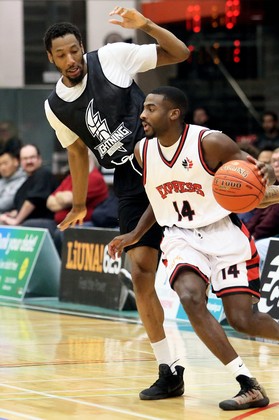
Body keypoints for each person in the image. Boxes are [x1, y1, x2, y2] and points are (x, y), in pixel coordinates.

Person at [107, 86, 279, 410]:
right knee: (190, 296)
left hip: (224, 233)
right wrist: (135, 233)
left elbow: (252, 189)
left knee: (242, 319)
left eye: (150, 108)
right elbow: (159, 198)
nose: (142, 114)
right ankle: (247, 383)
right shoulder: (143, 151)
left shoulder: (209, 142)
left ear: (173, 113)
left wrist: (273, 179)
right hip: (181, 235)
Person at [43, 6, 190, 400]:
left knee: (192, 270)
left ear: (82, 47)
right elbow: (76, 152)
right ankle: (168, 368)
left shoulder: (111, 58)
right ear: (51, 58)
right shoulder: (55, 105)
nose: (71, 60)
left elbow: (179, 52)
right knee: (140, 269)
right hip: (127, 180)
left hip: (165, 159)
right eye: (62, 55)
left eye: (75, 50)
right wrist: (77, 204)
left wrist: (144, 25)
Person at [47, 152, 109, 255]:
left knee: (61, 233)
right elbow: (49, 202)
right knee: (33, 225)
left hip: (82, 224)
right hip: (60, 222)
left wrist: (60, 196)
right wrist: (64, 197)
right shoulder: (71, 177)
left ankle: (59, 269)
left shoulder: (95, 178)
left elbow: (70, 199)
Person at [0, 144, 58, 229]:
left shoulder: (43, 174)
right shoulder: (26, 181)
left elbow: (33, 201)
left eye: (32, 157)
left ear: (39, 159)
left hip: (44, 223)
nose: (29, 161)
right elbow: (21, 205)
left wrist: (16, 221)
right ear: (20, 162)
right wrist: (12, 214)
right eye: (25, 159)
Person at [0, 146, 27, 213]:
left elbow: (7, 203)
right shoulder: (1, 181)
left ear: (16, 162)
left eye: (5, 163)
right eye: (0, 164)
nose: (2, 168)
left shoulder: (23, 181)